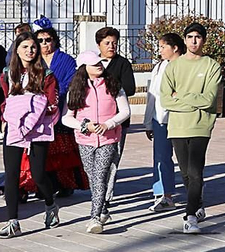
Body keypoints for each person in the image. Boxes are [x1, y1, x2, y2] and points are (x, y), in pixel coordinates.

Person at [161, 22, 224, 233]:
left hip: (200, 125)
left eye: (198, 37)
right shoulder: (173, 66)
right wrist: (190, 100)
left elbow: (208, 100)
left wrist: (180, 96)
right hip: (177, 126)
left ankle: (190, 217)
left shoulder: (211, 66)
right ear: (185, 40)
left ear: (203, 40)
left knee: (196, 172)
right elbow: (165, 99)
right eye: (190, 37)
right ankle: (197, 203)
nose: (194, 41)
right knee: (186, 173)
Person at [61, 47, 130, 234]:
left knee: (100, 176)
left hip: (108, 139)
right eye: (94, 64)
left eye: (99, 62)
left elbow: (125, 111)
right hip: (85, 140)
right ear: (84, 67)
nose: (99, 65)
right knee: (92, 177)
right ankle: (103, 209)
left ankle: (94, 218)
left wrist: (108, 124)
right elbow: (66, 118)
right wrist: (84, 126)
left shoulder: (113, 85)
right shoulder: (76, 89)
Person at [0, 34, 62, 237]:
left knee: (38, 174)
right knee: (11, 174)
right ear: (16, 49)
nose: (30, 51)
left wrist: (34, 111)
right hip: (14, 128)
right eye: (24, 46)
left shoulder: (46, 75)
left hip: (38, 128)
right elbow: (6, 100)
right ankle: (12, 221)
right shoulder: (8, 74)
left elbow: (53, 103)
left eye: (33, 47)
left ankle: (50, 204)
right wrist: (7, 116)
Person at [27, 24, 88, 195]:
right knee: (40, 152)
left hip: (60, 107)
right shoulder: (33, 60)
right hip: (37, 110)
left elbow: (71, 81)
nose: (44, 44)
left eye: (48, 40)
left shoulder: (66, 60)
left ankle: (65, 184)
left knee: (62, 151)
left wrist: (53, 94)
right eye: (40, 40)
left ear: (54, 40)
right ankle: (42, 185)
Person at [143, 32, 183, 212]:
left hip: (180, 119)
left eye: (163, 47)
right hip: (160, 119)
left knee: (186, 159)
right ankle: (164, 195)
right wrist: (148, 122)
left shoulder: (184, 66)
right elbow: (152, 95)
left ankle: (195, 192)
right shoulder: (159, 67)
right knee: (161, 158)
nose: (160, 50)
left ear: (175, 48)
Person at [95, 27, 136, 197]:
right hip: (94, 119)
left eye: (114, 43)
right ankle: (97, 190)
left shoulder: (122, 63)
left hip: (117, 119)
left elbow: (130, 88)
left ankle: (106, 195)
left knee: (113, 157)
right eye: (107, 43)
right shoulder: (92, 63)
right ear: (99, 45)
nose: (111, 46)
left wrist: (106, 88)